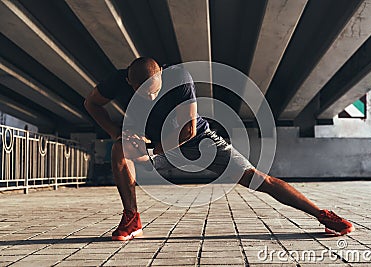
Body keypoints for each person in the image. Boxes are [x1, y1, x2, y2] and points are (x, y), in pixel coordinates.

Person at [84, 57, 354, 241]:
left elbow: (188, 130)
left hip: (197, 141)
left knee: (258, 179)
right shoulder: (117, 80)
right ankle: (132, 218)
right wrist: (115, 132)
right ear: (129, 83)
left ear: (161, 76)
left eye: (155, 90)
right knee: (119, 149)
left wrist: (152, 152)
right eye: (144, 92)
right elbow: (91, 104)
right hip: (153, 143)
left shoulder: (179, 77)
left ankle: (323, 216)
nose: (151, 96)